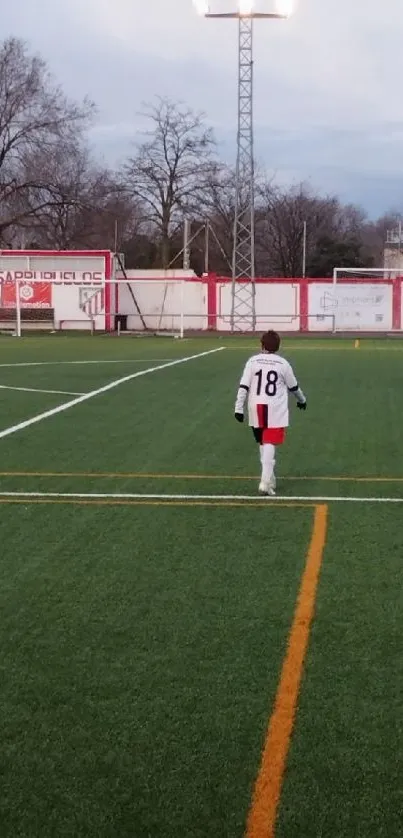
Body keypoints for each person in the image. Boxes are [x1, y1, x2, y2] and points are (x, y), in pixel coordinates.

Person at [234, 330, 307, 496]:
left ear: (261, 344)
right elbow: (294, 387)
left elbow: (243, 386)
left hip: (255, 406)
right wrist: (302, 400)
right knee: (269, 442)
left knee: (263, 442)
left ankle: (269, 480)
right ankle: (265, 482)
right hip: (275, 407)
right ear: (278, 346)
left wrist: (238, 407)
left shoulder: (252, 361)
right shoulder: (283, 364)